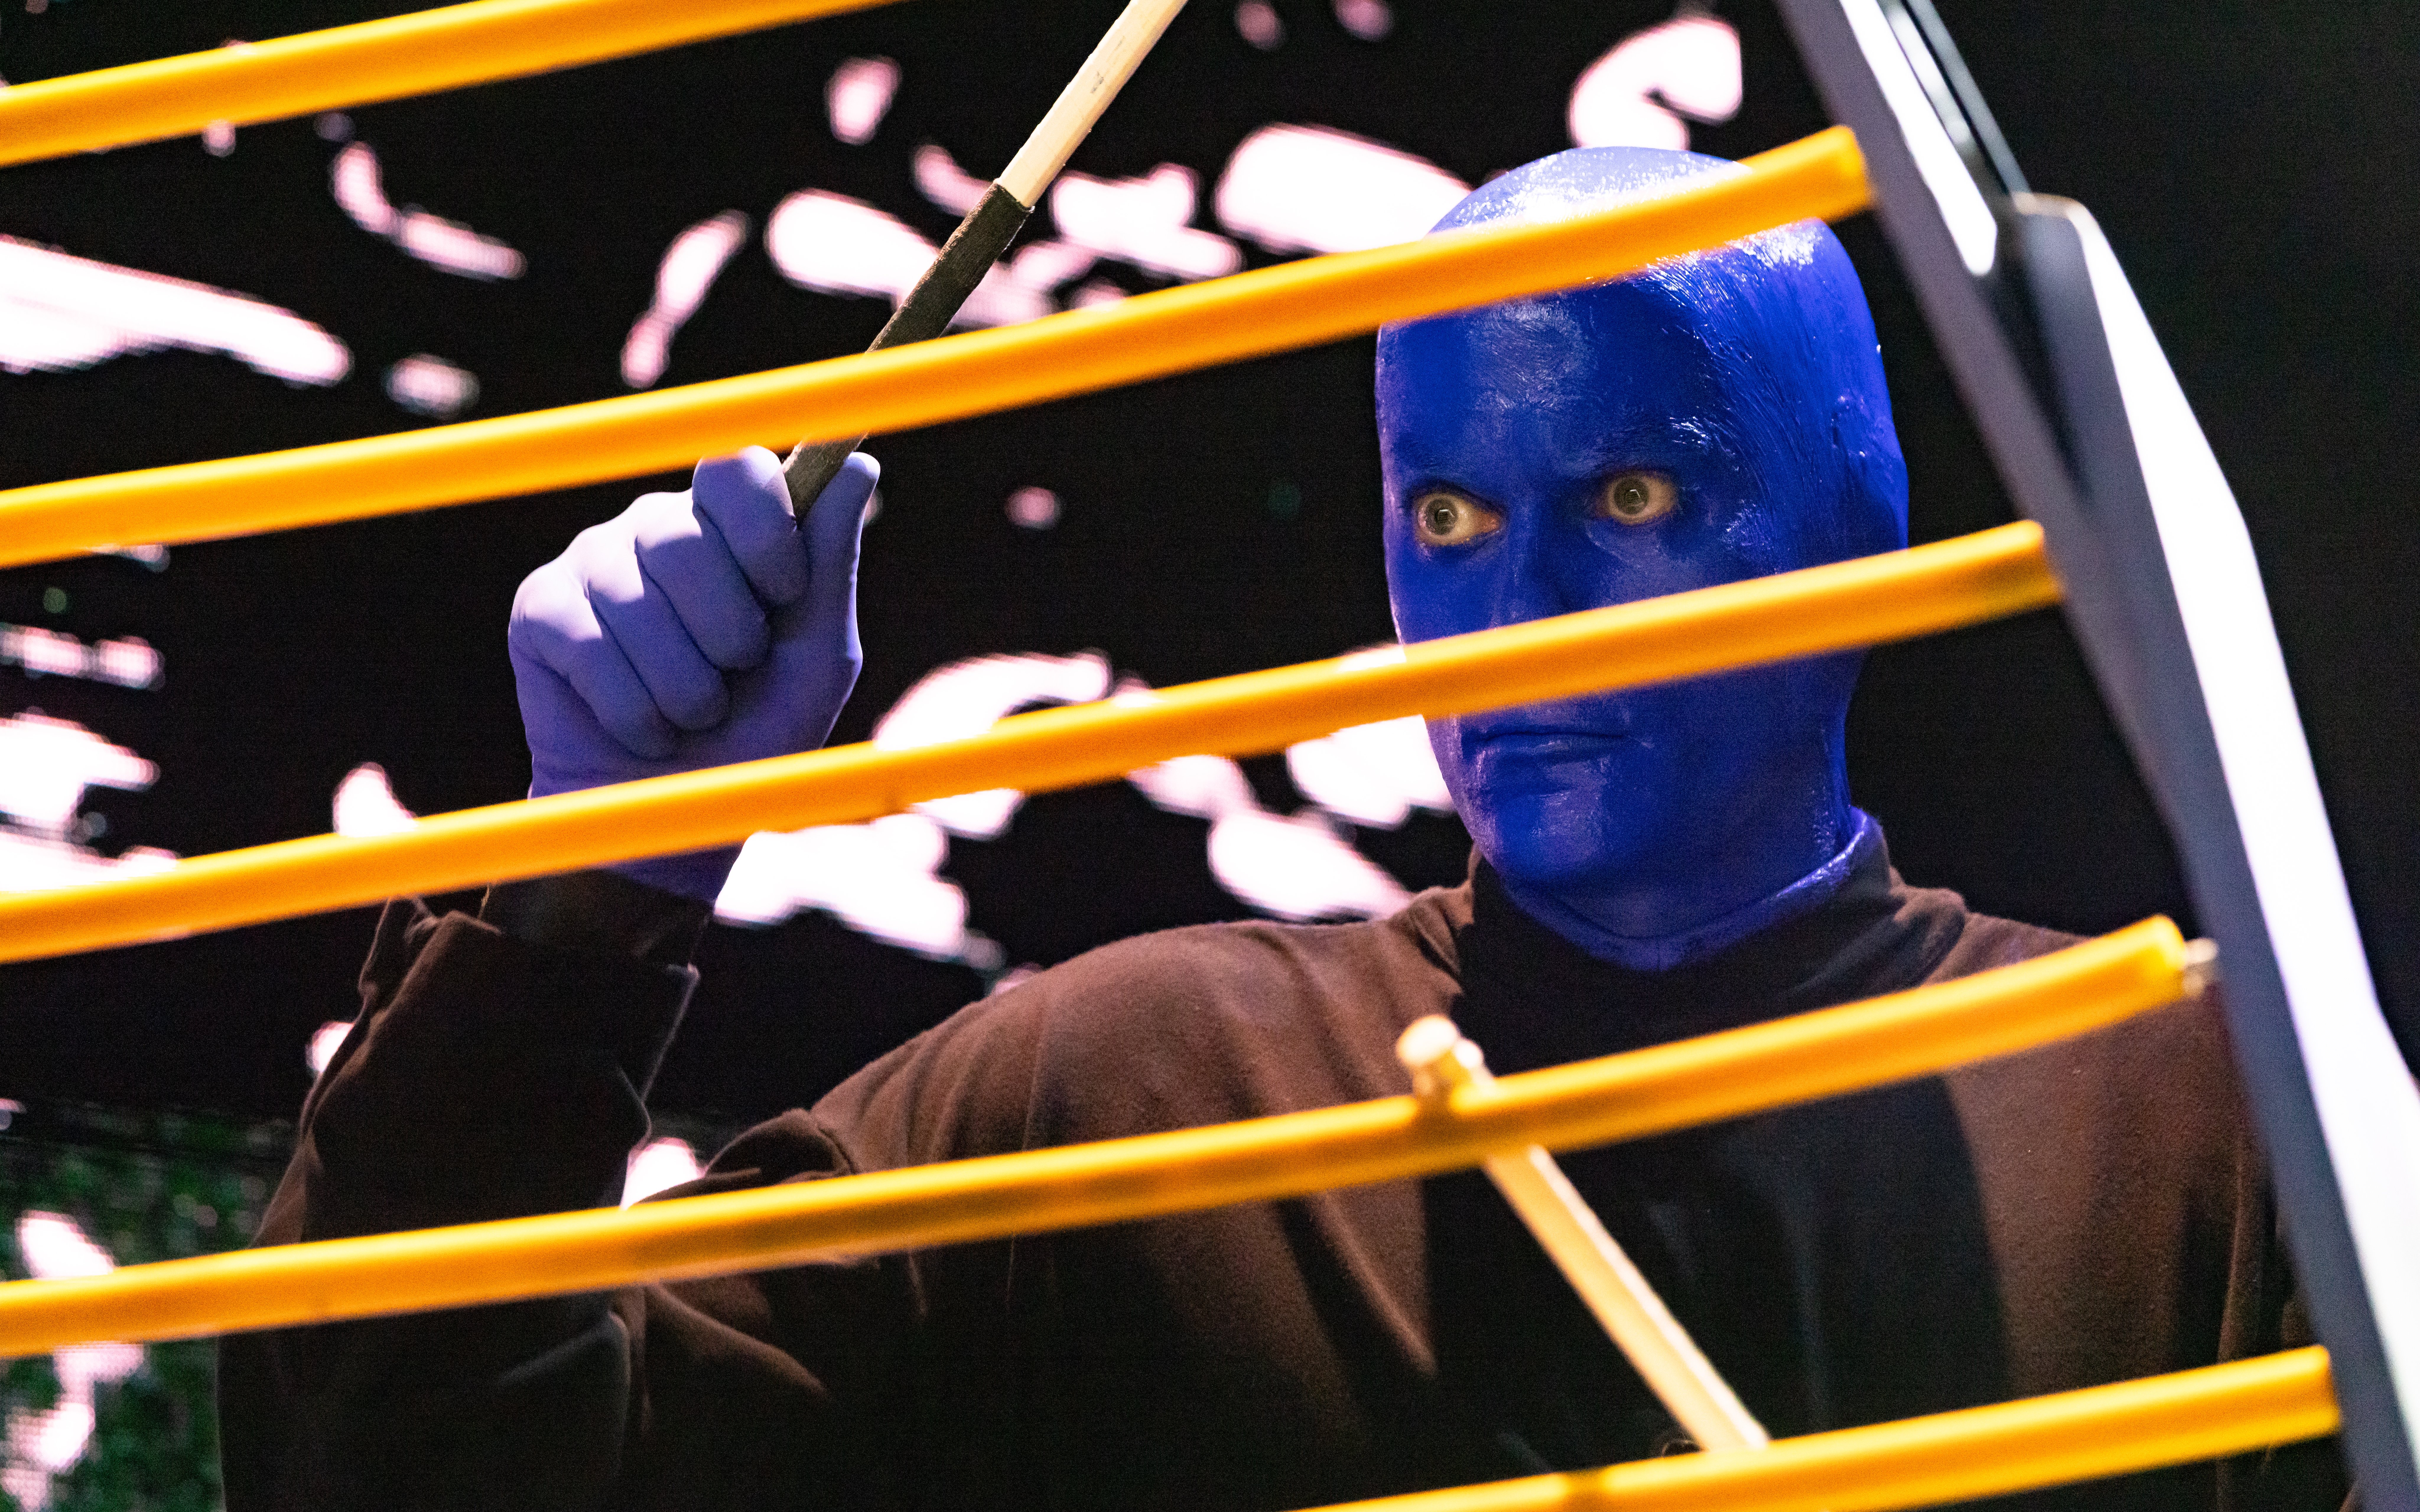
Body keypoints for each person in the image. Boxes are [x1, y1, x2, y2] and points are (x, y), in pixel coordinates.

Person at [217, 148, 2341, 1512]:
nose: (1513, 616)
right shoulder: (1133, 1097)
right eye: (1445, 514)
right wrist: (581, 898)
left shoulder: (2198, 1118)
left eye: (1627, 500)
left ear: (1856, 509)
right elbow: (421, 1471)